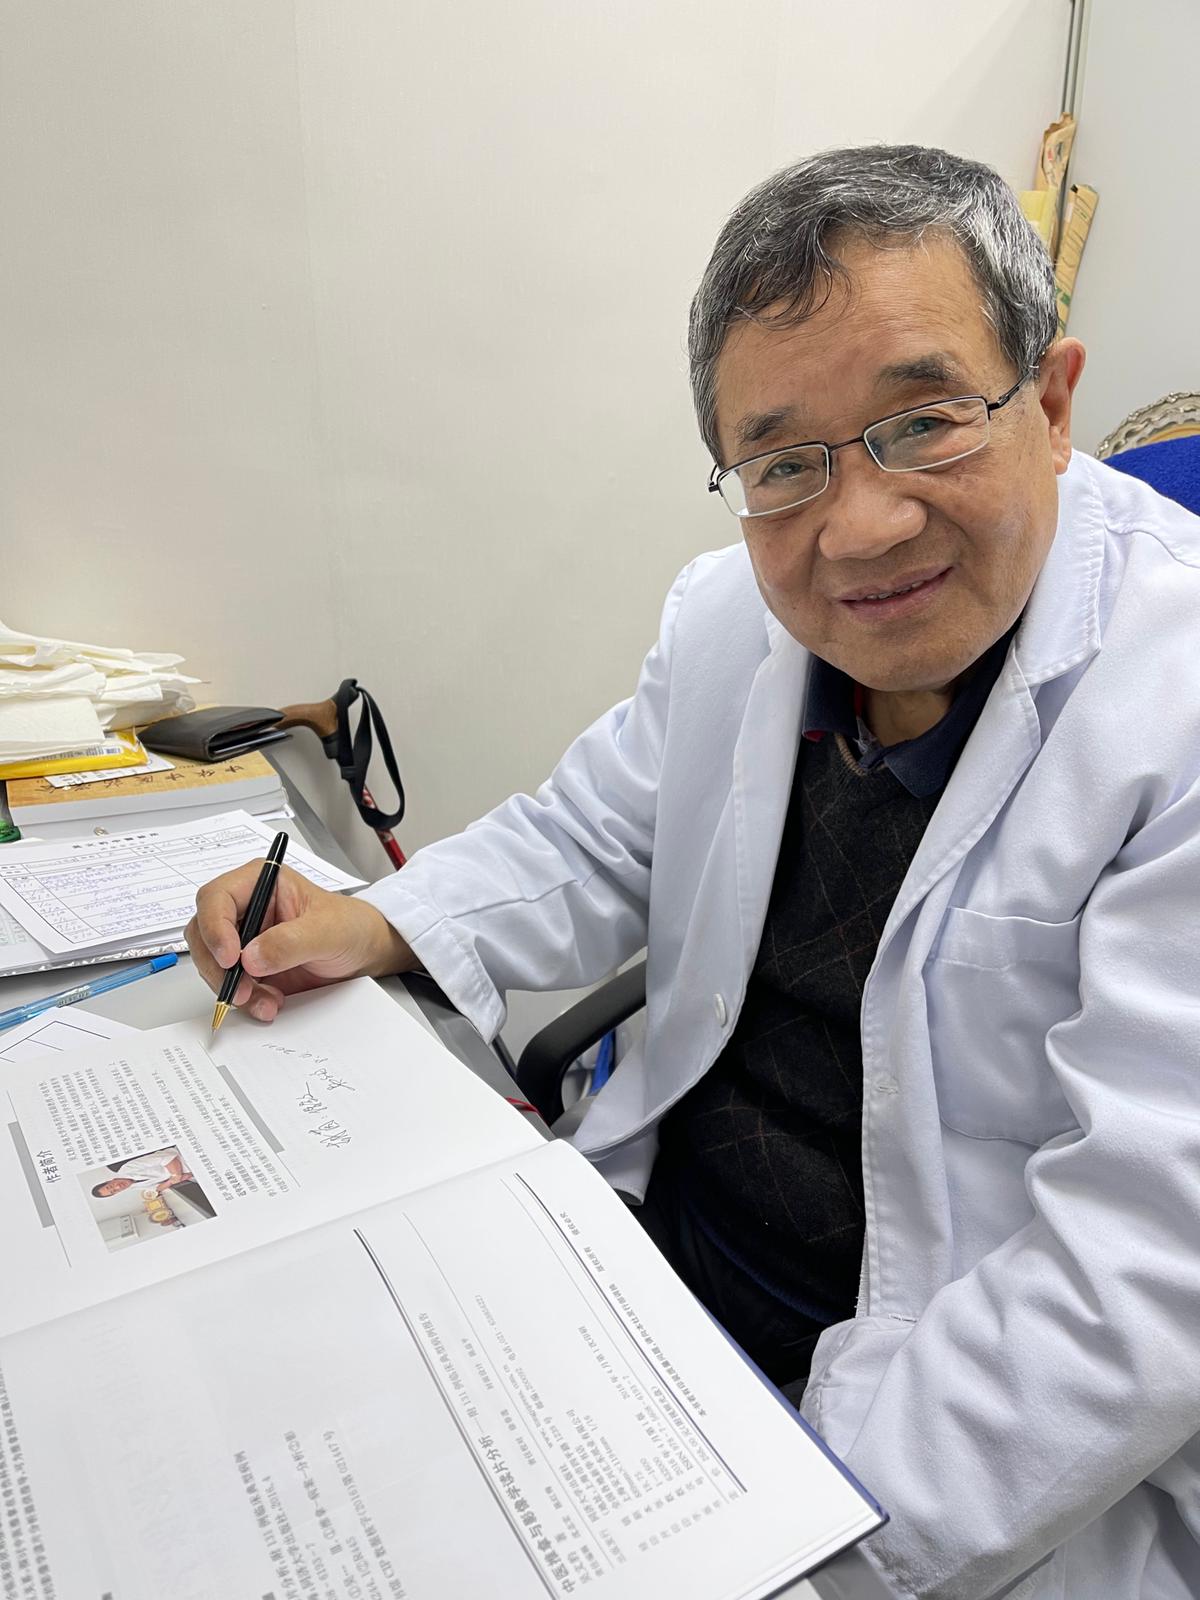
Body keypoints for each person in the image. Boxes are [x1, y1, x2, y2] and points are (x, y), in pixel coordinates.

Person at [188, 146, 1200, 1597]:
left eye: (922, 422)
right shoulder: (735, 613)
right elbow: (593, 833)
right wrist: (368, 918)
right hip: (657, 1282)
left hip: (930, 1419)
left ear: (1049, 405)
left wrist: (801, 1547)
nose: (859, 526)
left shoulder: (1175, 700)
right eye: (786, 464)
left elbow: (1137, 1272)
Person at [92, 1147, 194, 1198]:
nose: (118, 1187)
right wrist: (171, 1181)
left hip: (185, 1157)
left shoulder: (127, 1168)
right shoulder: (132, 1187)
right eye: (114, 1191)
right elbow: (157, 1188)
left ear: (110, 1180)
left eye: (111, 1186)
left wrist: (176, 1176)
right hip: (188, 1171)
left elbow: (168, 1158)